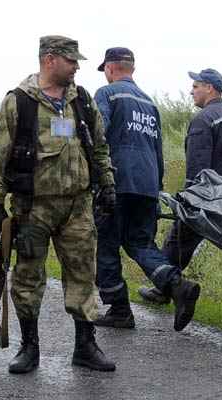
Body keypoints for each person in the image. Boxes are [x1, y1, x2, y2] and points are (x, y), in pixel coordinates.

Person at [0, 35, 117, 373]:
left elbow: (99, 146)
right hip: (33, 208)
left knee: (83, 275)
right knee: (28, 277)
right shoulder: (19, 102)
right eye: (71, 61)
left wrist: (108, 185)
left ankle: (85, 346)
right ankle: (30, 348)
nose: (76, 67)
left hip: (77, 206)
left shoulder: (81, 100)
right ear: (50, 59)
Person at [138, 69, 222, 320]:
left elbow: (198, 165)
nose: (191, 91)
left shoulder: (204, 119)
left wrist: (189, 198)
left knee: (178, 239)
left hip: (208, 198)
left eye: (196, 86)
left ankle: (163, 289)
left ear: (210, 89)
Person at [91, 47, 174, 329]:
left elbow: (97, 134)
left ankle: (119, 309)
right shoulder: (149, 103)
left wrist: (92, 177)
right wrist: (157, 187)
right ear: (132, 69)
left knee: (107, 244)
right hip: (148, 185)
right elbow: (157, 150)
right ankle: (177, 284)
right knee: (141, 242)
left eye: (105, 70)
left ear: (110, 68)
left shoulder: (107, 94)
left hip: (116, 182)